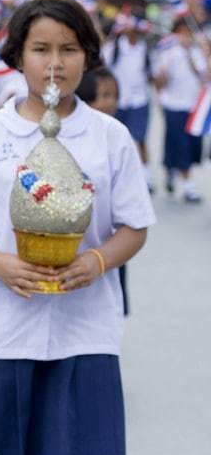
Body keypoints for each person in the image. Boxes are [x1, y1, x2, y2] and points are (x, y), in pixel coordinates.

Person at [0, 0, 155, 455]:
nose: (55, 62)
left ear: (88, 57)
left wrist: (97, 262)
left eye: (69, 49)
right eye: (40, 49)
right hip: (5, 331)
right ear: (16, 56)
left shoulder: (110, 136)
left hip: (85, 330)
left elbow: (134, 226)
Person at [75, 66, 130, 316]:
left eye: (114, 96)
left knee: (111, 299)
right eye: (104, 95)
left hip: (107, 246)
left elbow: (134, 218)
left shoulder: (117, 136)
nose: (111, 102)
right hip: (75, 241)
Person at [153, 19, 208, 203]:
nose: (185, 35)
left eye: (187, 32)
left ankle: (174, 172)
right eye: (181, 31)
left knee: (192, 146)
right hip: (173, 105)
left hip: (193, 107)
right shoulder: (168, 52)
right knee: (178, 143)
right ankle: (187, 186)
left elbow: (203, 76)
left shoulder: (195, 52)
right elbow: (161, 81)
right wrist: (162, 74)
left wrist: (192, 54)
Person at [102, 14, 153, 191]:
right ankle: (116, 177)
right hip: (118, 101)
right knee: (114, 139)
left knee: (140, 138)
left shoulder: (144, 48)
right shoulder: (114, 47)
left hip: (139, 100)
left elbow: (150, 72)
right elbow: (102, 67)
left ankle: (147, 177)